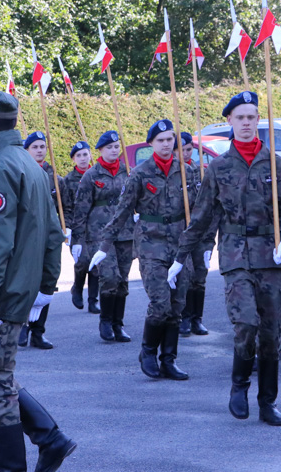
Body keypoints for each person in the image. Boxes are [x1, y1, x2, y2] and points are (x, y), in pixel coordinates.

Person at [0, 91, 76, 472]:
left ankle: (20, 463)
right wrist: (45, 286)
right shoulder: (32, 165)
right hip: (20, 291)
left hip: (3, 294)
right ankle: (50, 437)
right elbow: (52, 232)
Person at [174, 92, 281, 426]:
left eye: (252, 117)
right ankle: (239, 386)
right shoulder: (218, 166)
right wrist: (180, 255)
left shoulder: (275, 163)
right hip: (235, 254)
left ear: (259, 121)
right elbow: (201, 215)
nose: (246, 123)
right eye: (240, 117)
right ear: (229, 121)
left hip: (270, 257)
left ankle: (268, 401)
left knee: (271, 332)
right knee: (246, 324)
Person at [90, 120, 191, 380]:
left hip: (180, 245)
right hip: (150, 244)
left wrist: (202, 245)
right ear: (151, 144)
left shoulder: (187, 172)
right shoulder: (140, 173)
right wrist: (105, 245)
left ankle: (168, 359)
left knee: (177, 305)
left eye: (170, 139)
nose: (167, 144)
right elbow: (123, 210)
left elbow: (199, 212)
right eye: (161, 140)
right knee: (161, 303)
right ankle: (148, 352)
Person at [71, 131, 133, 341]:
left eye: (117, 146)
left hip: (125, 232)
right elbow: (81, 209)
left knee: (122, 280)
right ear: (100, 150)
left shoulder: (128, 171)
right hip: (99, 232)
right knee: (109, 277)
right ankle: (105, 322)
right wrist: (77, 239)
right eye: (110, 147)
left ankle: (118, 323)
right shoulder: (92, 175)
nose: (114, 150)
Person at [20, 131, 65, 350]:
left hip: (49, 233)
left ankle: (38, 331)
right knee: (27, 282)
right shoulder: (21, 172)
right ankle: (22, 326)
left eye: (42, 146)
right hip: (28, 234)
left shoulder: (52, 174)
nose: (39, 150)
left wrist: (69, 228)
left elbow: (63, 204)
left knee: (47, 282)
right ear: (26, 150)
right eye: (35, 147)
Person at [176, 132, 215, 337]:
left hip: (200, 232)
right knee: (185, 275)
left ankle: (196, 319)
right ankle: (184, 317)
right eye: (180, 150)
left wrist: (209, 239)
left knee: (199, 275)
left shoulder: (202, 173)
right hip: (180, 232)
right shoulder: (173, 174)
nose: (185, 153)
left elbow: (211, 206)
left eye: (189, 149)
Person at [64, 140, 100, 314]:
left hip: (96, 225)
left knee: (96, 263)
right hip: (77, 226)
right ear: (73, 159)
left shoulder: (97, 175)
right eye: (79, 155)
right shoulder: (68, 180)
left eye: (85, 154)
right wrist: (67, 228)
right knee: (82, 261)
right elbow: (66, 205)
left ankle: (93, 300)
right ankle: (77, 287)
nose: (83, 158)